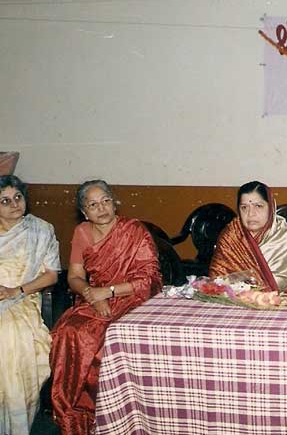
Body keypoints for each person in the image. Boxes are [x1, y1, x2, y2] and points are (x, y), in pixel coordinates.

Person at [50, 180, 162, 434]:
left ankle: (112, 415)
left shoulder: (134, 230)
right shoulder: (82, 232)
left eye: (106, 201)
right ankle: (76, 414)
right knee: (68, 332)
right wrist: (92, 295)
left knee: (107, 341)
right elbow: (74, 277)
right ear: (84, 211)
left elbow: (148, 280)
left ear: (114, 203)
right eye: (93, 204)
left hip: (132, 298)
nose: (101, 208)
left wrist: (108, 291)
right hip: (94, 298)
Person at [0, 175, 60, 435]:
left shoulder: (40, 230)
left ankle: (14, 425)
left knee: (9, 334)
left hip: (22, 298)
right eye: (5, 200)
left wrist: (17, 290)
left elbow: (52, 275)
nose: (14, 204)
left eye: (18, 197)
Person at [209, 181, 287, 297]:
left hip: (281, 302)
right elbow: (217, 281)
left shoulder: (285, 238)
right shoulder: (231, 237)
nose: (251, 214)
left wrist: (279, 298)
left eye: (258, 206)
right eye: (244, 207)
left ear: (271, 207)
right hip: (234, 302)